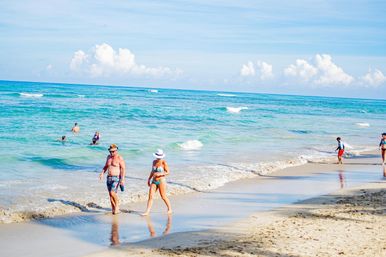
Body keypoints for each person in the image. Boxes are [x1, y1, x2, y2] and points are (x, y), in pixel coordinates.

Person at [142, 149, 172, 216]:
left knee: (163, 196)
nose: (158, 158)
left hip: (161, 181)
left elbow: (168, 172)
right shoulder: (154, 162)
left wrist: (160, 174)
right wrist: (149, 179)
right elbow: (152, 171)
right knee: (150, 196)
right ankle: (147, 211)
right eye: (157, 157)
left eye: (159, 157)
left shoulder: (164, 162)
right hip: (154, 181)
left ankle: (169, 208)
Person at [99, 144, 126, 214]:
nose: (111, 153)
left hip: (116, 178)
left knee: (112, 193)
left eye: (113, 151)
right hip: (109, 178)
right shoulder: (108, 157)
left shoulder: (120, 158)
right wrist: (102, 173)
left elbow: (123, 169)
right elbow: (105, 166)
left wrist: (122, 179)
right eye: (110, 151)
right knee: (110, 195)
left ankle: (117, 206)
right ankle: (114, 209)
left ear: (116, 151)